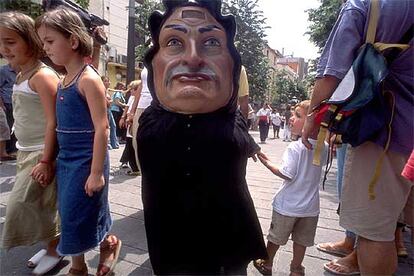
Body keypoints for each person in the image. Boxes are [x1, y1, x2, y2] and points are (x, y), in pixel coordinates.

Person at [136, 0, 267, 274]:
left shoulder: (230, 123)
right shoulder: (152, 124)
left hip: (228, 240)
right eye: (173, 42)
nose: (193, 58)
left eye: (211, 42)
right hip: (174, 247)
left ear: (232, 63)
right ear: (154, 60)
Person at [301, 0, 413, 274]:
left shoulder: (365, 4)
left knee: (374, 233)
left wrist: (312, 120)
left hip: (386, 134)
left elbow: (333, 72)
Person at [36, 8, 121, 276]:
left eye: (50, 41)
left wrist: (96, 172)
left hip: (86, 161)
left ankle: (78, 267)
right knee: (73, 211)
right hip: (66, 160)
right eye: (43, 43)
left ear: (72, 41)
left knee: (77, 211)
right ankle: (107, 243)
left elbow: (102, 127)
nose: (46, 49)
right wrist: (47, 159)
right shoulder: (63, 80)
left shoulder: (88, 79)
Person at [0, 11, 61, 274]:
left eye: (11, 41)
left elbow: (54, 122)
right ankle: (51, 246)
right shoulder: (21, 74)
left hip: (40, 153)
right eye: (1, 42)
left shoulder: (42, 76)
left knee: (22, 204)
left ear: (30, 39)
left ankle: (56, 249)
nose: (4, 48)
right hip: (25, 153)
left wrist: (47, 160)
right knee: (38, 205)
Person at [253, 100, 328, 276]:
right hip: (310, 208)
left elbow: (287, 173)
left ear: (313, 123)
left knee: (275, 237)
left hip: (287, 206)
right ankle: (296, 268)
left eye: (298, 116)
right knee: (301, 241)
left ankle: (268, 262)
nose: (292, 119)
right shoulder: (323, 147)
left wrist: (267, 162)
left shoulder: (295, 147)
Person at [119, 80, 140, 176]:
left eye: (132, 89)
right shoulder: (132, 98)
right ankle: (132, 165)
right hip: (129, 122)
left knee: (132, 144)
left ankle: (135, 166)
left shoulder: (140, 98)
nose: (130, 91)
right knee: (129, 143)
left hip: (134, 123)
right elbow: (127, 108)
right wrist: (123, 118)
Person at [0, 62, 17, 154]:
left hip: (18, 102)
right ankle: (8, 150)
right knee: (8, 126)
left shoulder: (22, 70)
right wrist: (1, 104)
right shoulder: (3, 71)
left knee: (18, 125)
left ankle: (14, 149)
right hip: (7, 102)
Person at [102, 76, 119, 150]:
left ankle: (113, 143)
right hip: (105, 110)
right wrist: (110, 101)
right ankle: (108, 143)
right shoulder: (102, 89)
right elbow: (105, 102)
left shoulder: (107, 90)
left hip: (109, 110)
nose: (108, 82)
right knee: (107, 126)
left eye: (108, 81)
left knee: (113, 126)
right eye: (106, 81)